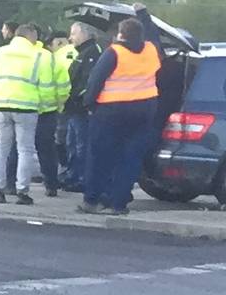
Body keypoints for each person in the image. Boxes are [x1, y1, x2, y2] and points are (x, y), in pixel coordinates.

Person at [80, 17, 164, 215]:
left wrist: (89, 104)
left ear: (120, 34)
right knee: (130, 159)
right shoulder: (151, 50)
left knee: (100, 157)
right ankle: (118, 204)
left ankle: (92, 200)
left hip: (111, 111)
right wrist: (143, 14)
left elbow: (95, 81)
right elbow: (154, 36)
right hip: (144, 110)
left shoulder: (114, 52)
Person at [0, 23, 49, 204]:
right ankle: (22, 191)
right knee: (25, 149)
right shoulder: (39, 56)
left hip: (2, 106)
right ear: (30, 35)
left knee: (0, 149)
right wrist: (43, 106)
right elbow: (46, 87)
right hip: (27, 107)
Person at [60, 21, 103, 198]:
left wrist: (79, 100)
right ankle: (72, 175)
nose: (70, 38)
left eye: (74, 33)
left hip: (81, 109)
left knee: (81, 144)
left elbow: (88, 82)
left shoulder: (92, 53)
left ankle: (82, 178)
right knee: (72, 143)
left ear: (85, 34)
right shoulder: (82, 53)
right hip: (73, 108)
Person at [32, 27, 71, 195]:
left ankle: (12, 183)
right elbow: (63, 85)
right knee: (48, 147)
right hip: (49, 109)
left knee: (18, 148)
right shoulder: (51, 58)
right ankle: (51, 183)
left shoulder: (51, 56)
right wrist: (59, 104)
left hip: (25, 107)